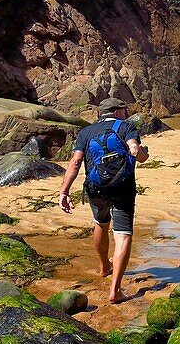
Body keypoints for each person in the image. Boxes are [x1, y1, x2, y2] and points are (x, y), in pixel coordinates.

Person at [58, 97, 149, 303]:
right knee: (123, 235)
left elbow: (75, 162)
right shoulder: (126, 127)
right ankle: (115, 290)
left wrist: (64, 191)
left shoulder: (86, 132)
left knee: (100, 223)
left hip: (95, 188)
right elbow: (135, 151)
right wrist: (140, 153)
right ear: (116, 112)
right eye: (124, 110)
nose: (126, 114)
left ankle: (103, 267)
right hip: (122, 188)